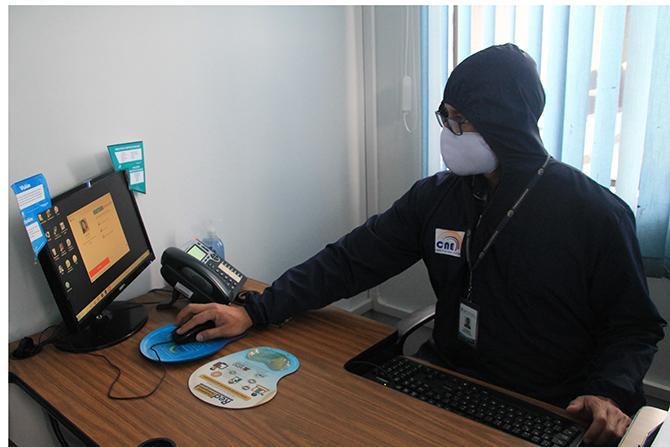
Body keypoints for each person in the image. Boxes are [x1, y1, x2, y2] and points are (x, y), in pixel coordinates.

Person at [175, 44, 666, 446]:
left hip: (542, 404)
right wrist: (255, 311)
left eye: (461, 120)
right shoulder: (437, 198)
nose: (449, 133)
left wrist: (609, 393)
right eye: (445, 116)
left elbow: (634, 327)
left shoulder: (593, 213)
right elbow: (350, 260)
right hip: (445, 378)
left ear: (505, 123)